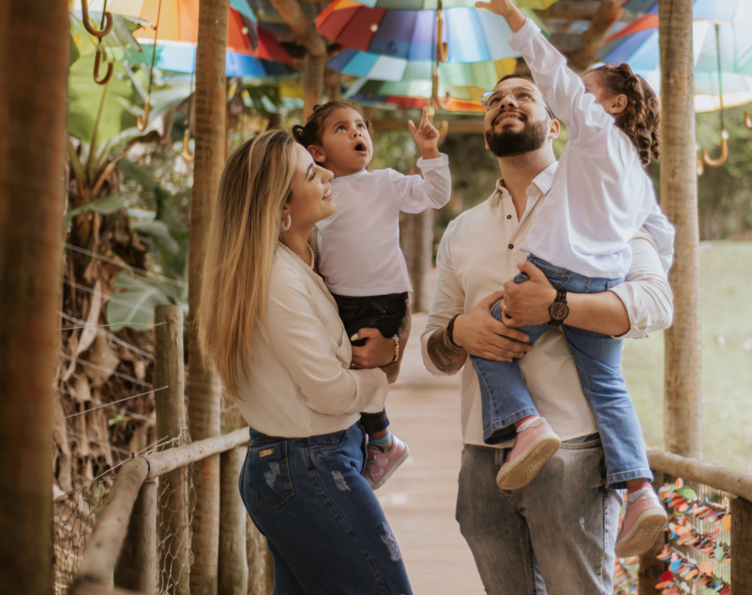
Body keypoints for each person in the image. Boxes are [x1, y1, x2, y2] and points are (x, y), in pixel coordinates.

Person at [421, 73, 674, 594]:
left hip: (575, 457)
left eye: (523, 96)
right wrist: (461, 332)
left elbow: (655, 302)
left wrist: (557, 305)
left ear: (557, 124)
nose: (505, 102)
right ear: (486, 127)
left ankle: (636, 489)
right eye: (495, 99)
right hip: (482, 454)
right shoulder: (461, 230)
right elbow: (434, 352)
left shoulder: (595, 198)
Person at [472, 0, 674, 547]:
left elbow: (554, 75)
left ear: (609, 107)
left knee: (488, 338)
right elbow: (661, 236)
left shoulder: (593, 132)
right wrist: (639, 263)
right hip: (604, 280)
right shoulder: (637, 176)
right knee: (608, 388)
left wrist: (513, 16)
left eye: (588, 94)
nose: (575, 100)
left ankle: (525, 425)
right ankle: (638, 492)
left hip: (557, 269)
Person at [198, 130, 414, 595]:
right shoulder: (277, 280)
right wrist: (380, 374)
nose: (329, 174)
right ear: (281, 209)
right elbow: (330, 390)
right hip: (309, 466)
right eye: (312, 173)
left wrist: (388, 352)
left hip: (305, 464)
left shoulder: (302, 265)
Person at [293, 100, 450, 489]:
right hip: (336, 299)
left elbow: (436, 195)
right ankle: (366, 441)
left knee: (365, 368)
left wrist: (429, 152)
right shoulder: (317, 191)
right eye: (342, 128)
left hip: (384, 297)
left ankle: (381, 441)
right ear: (317, 153)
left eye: (361, 125)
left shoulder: (386, 181)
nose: (358, 133)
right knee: (342, 372)